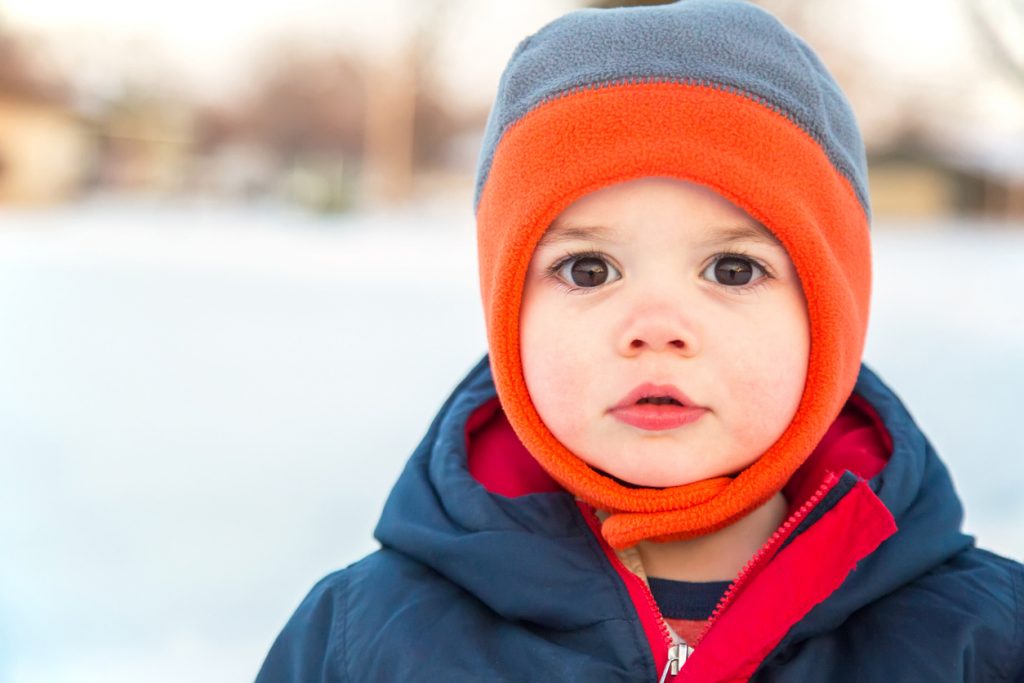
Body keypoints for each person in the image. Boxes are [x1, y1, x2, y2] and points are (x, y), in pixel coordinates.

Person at [255, 1, 1024, 680]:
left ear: (832, 315)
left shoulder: (984, 641)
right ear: (508, 315)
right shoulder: (367, 641)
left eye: (732, 268)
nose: (656, 325)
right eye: (588, 269)